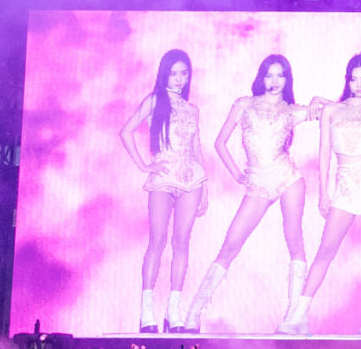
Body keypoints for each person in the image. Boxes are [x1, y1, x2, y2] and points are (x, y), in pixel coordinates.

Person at [185, 54, 313, 333]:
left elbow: (328, 110)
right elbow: (220, 143)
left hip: (288, 177)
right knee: (230, 244)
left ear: (287, 79)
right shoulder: (245, 104)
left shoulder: (291, 111)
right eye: (270, 74)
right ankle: (193, 314)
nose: (275, 81)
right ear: (262, 76)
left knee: (294, 240)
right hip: (257, 182)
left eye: (281, 75)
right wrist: (237, 174)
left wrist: (319, 101)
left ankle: (293, 317)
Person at [288, 53, 361, 337]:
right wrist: (323, 193)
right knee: (325, 250)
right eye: (354, 79)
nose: (359, 84)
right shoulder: (333, 111)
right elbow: (325, 153)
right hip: (344, 185)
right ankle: (298, 314)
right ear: (348, 80)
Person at [120, 47, 209, 332]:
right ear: (164, 74)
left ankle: (174, 311)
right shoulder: (155, 100)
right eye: (174, 73)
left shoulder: (193, 109)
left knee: (182, 243)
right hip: (163, 176)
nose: (179, 78)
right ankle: (147, 313)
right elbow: (126, 130)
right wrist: (144, 165)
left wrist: (204, 187)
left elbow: (196, 149)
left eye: (184, 73)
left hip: (192, 179)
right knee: (157, 241)